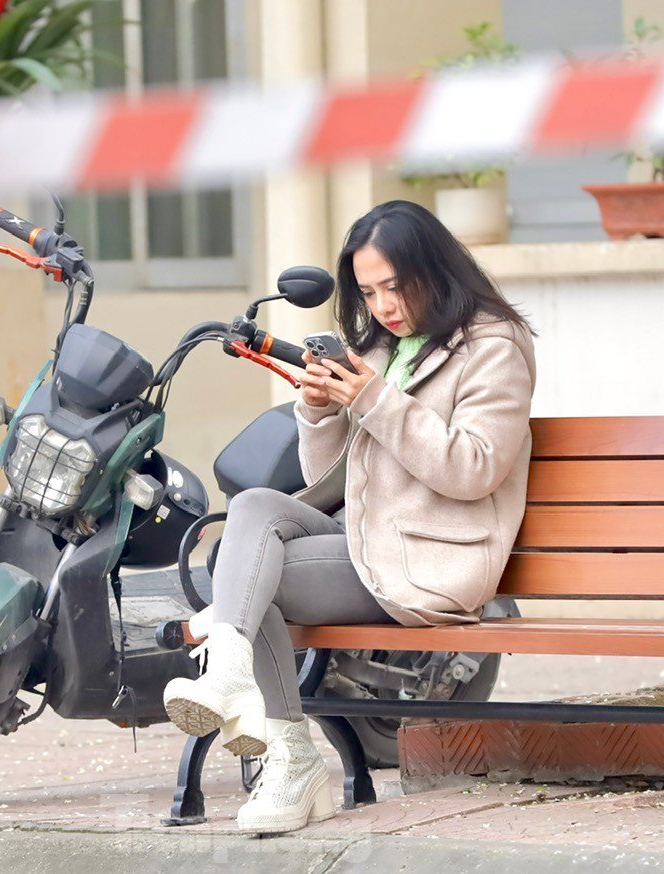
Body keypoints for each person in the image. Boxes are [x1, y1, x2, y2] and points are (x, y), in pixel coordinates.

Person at [163, 200, 538, 834]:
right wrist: (318, 411)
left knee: (250, 581)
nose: (385, 305)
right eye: (369, 292)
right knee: (253, 511)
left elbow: (473, 468)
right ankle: (262, 716)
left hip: (434, 558)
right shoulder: (382, 347)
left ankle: (289, 754)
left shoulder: (494, 347)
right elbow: (327, 480)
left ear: (436, 269)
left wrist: (372, 397)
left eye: (396, 285)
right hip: (368, 543)